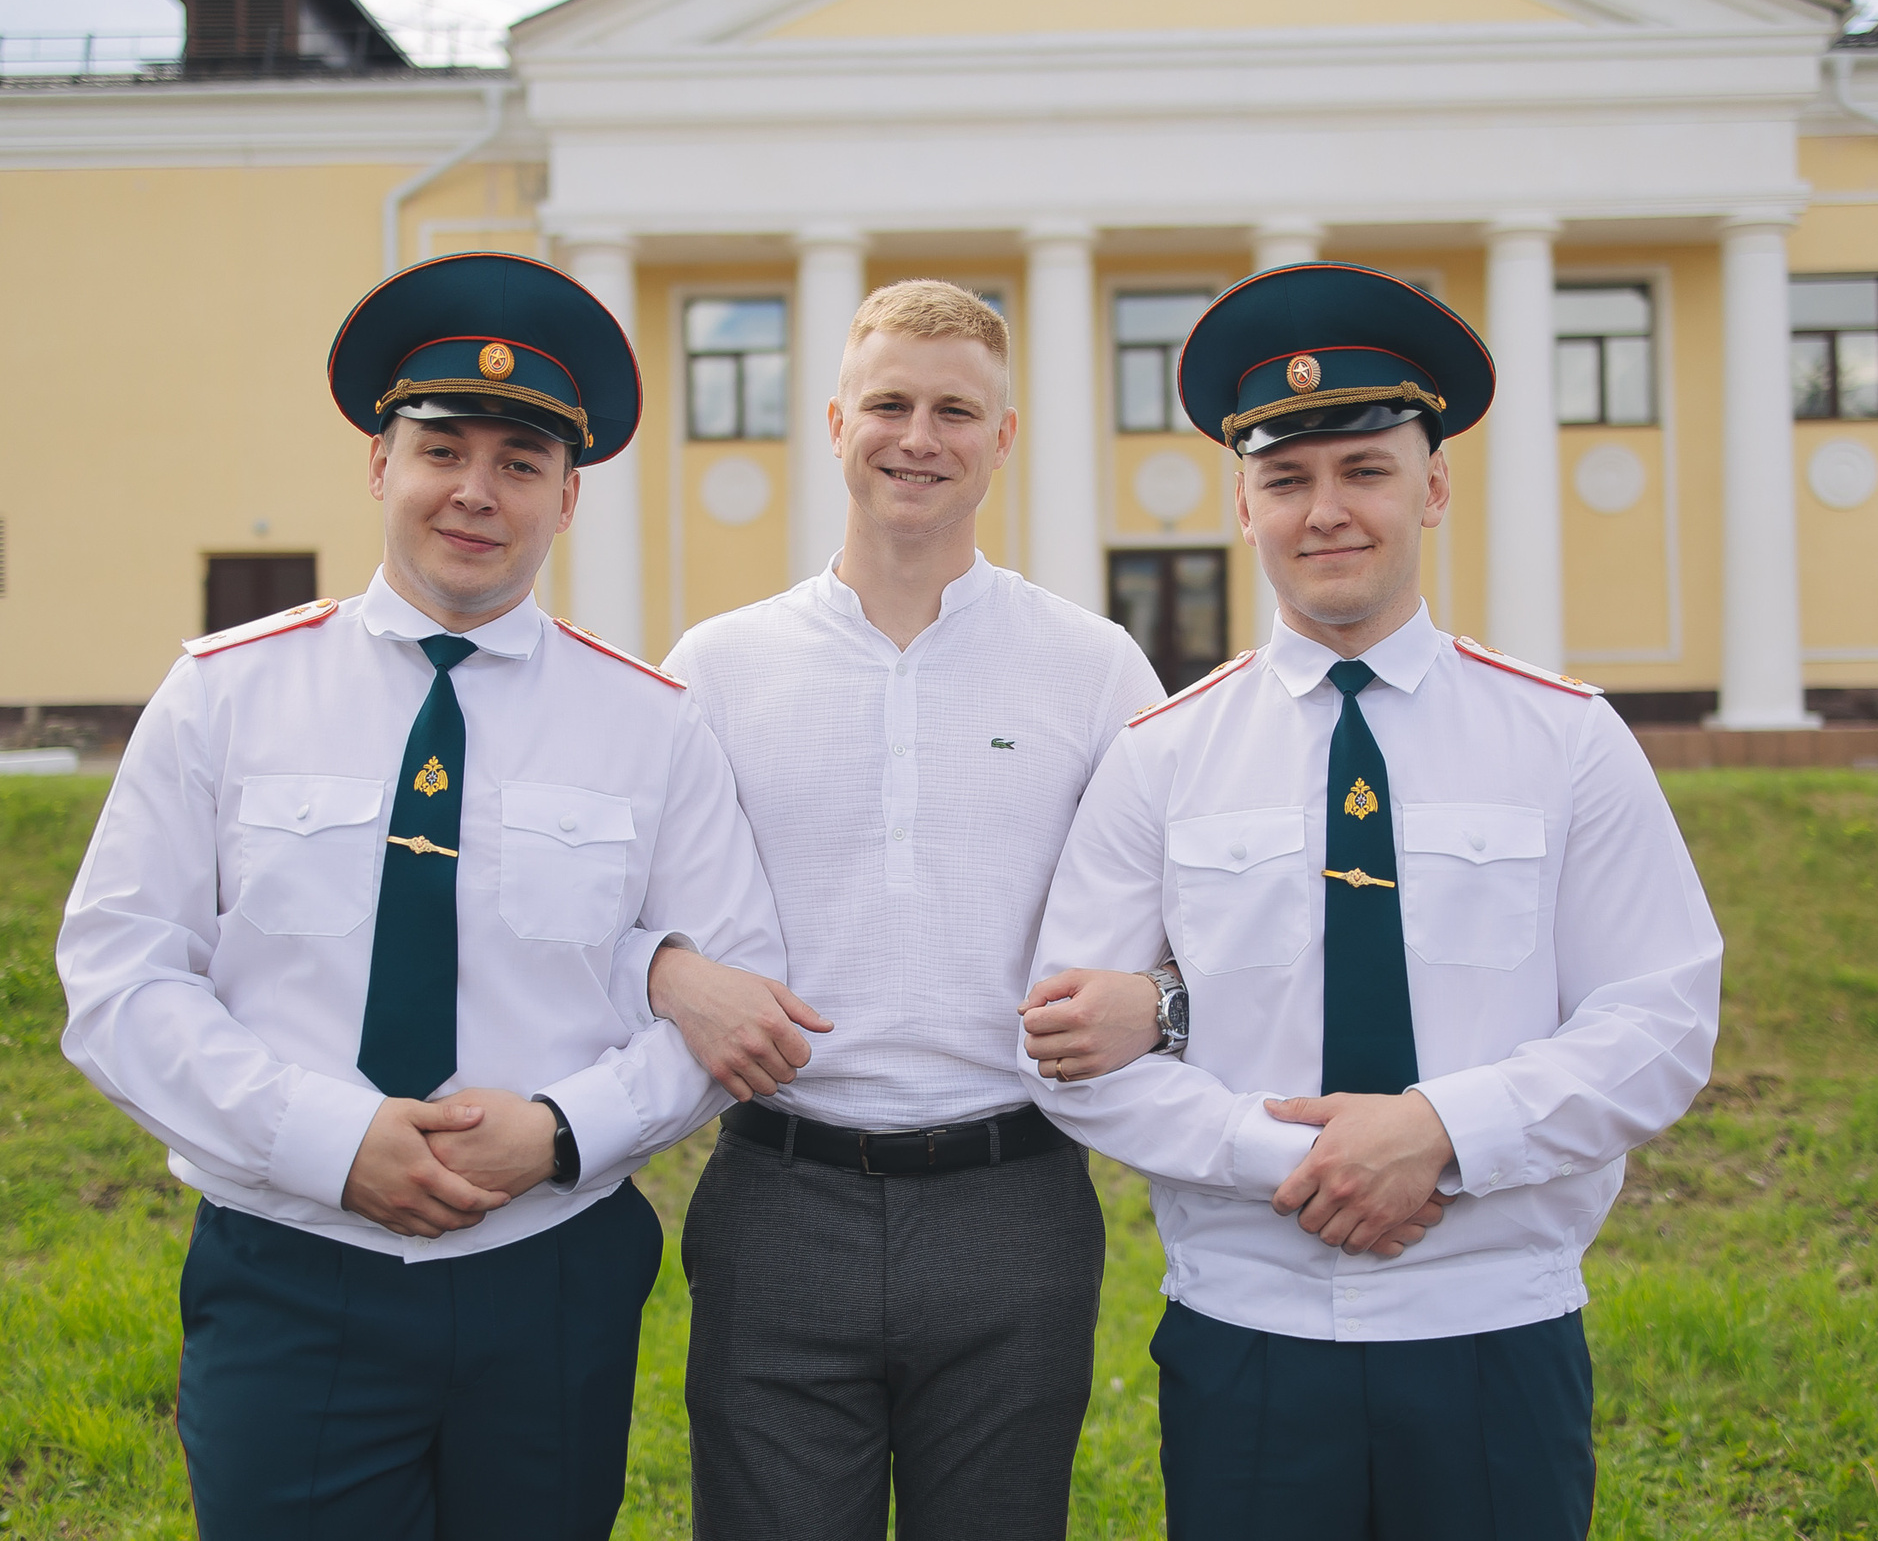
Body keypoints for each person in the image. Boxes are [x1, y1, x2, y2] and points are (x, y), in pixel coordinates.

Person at [56, 252, 784, 1541]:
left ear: (569, 497)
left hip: (547, 1276)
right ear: (379, 464)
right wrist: (325, 1141)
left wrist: (563, 1130)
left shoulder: (651, 726)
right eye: (444, 446)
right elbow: (120, 981)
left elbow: (730, 996)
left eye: (520, 462)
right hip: (293, 1273)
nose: (476, 492)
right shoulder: (227, 694)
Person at [1020, 262, 1724, 1541]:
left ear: (1434, 486)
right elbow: (1071, 1049)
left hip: (1492, 1329)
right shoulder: (1162, 756)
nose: (1324, 511)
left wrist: (1442, 1130)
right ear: (1243, 506)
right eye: (1286, 480)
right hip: (1249, 1334)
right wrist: (1297, 1160)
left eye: (1364, 469)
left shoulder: (1566, 740)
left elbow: (1660, 1020)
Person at [644, 279, 1169, 1541]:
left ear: (1003, 438)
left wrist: (1156, 1000)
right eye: (888, 402)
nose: (917, 436)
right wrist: (666, 968)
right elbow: (617, 902)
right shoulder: (715, 667)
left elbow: (1186, 913)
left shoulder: (1094, 666)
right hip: (782, 1191)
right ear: (833, 422)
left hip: (1013, 1195)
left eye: (954, 410)